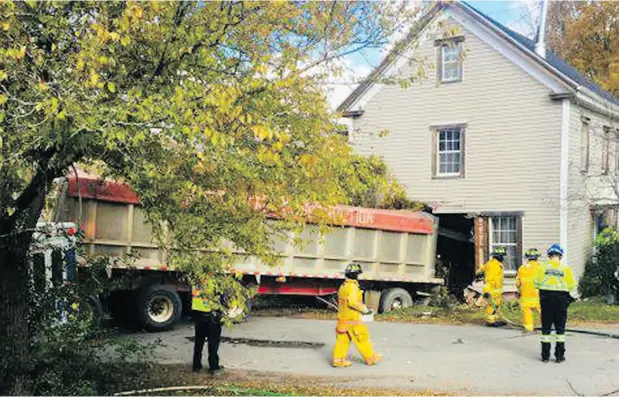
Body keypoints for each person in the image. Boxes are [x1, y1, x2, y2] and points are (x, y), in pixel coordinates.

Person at [332, 263, 383, 367]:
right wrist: (365, 309)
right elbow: (353, 302)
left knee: (343, 340)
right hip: (352, 319)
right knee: (362, 338)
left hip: (343, 318)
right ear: (356, 275)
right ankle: (371, 358)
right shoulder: (352, 287)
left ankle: (338, 360)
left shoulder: (344, 286)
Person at [534, 244, 577, 363]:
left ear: (549, 255)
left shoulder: (542, 268)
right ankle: (559, 356)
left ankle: (545, 356)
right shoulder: (565, 269)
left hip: (546, 299)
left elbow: (536, 283)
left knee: (546, 329)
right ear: (560, 255)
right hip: (561, 300)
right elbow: (572, 286)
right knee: (560, 329)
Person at [191, 282, 225, 375]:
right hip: (211, 314)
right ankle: (214, 367)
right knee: (213, 343)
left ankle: (196, 366)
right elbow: (221, 298)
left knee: (199, 342)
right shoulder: (215, 281)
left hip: (198, 313)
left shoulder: (197, 280)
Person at [475, 247, 506, 327]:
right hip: (492, 288)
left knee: (496, 304)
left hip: (495, 289)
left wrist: (479, 275)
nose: (503, 258)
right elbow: (490, 278)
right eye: (502, 256)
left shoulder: (491, 263)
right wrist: (487, 290)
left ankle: (494, 320)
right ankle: (491, 321)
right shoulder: (494, 265)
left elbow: (479, 271)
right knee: (492, 305)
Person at [517, 248, 542, 332]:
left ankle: (528, 328)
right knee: (543, 310)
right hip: (538, 294)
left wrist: (519, 291)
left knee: (527, 311)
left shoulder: (522, 268)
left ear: (527, 257)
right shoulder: (541, 267)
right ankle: (547, 326)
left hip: (525, 295)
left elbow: (517, 283)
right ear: (537, 257)